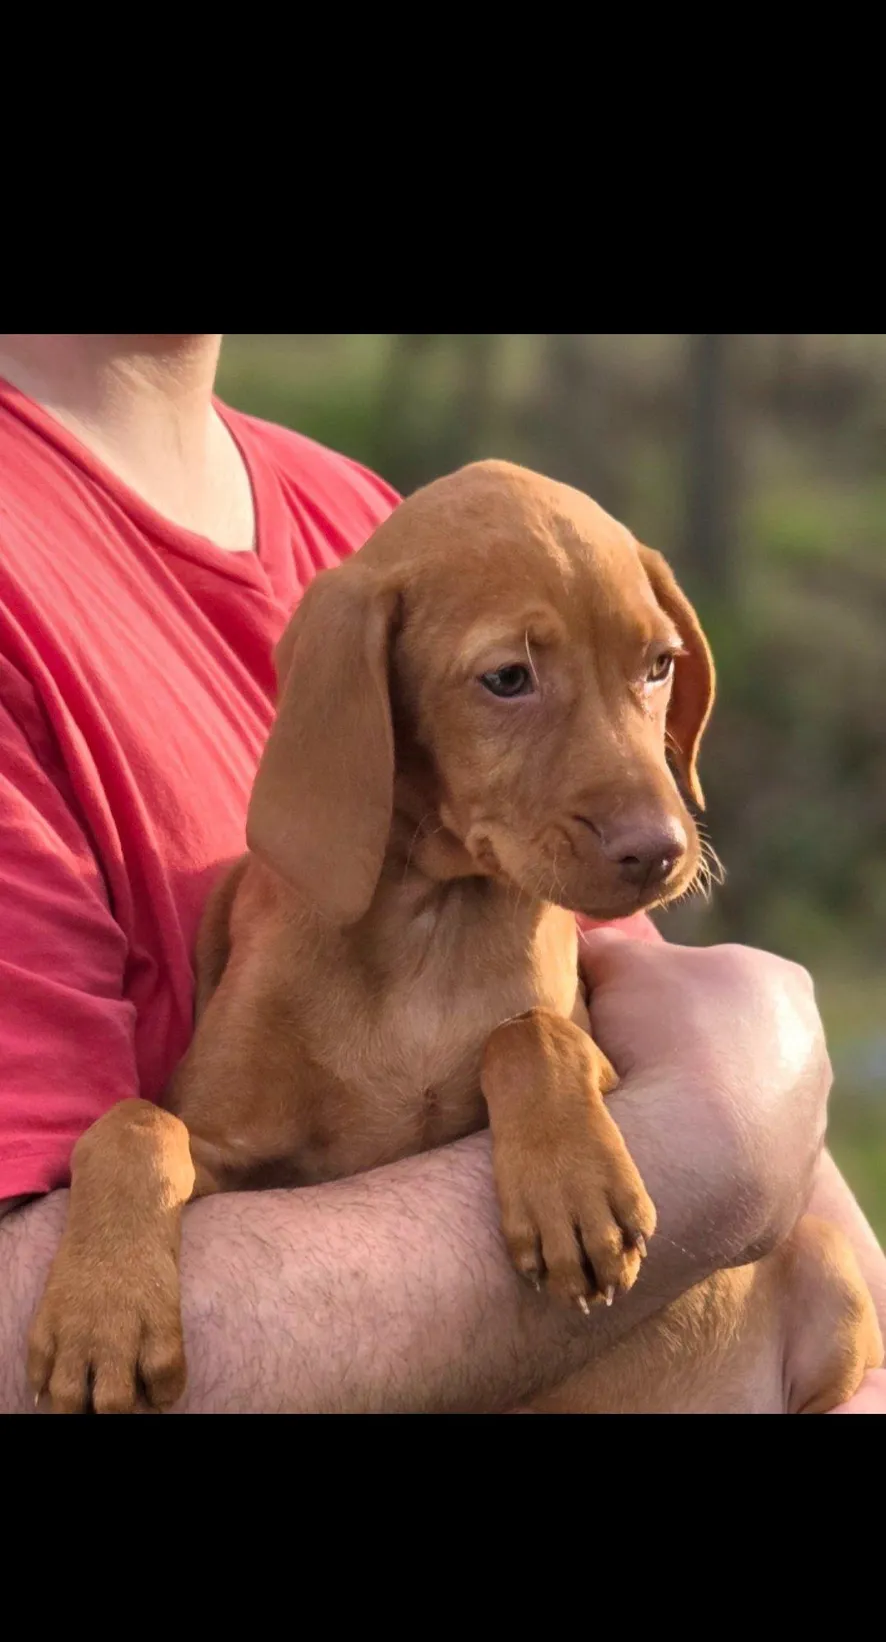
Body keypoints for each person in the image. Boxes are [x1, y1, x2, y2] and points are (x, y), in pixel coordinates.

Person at [1, 334, 883, 1416]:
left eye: (655, 668)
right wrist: (717, 1144)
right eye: (509, 679)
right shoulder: (380, 611)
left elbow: (654, 1021)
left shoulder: (368, 514)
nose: (654, 818)